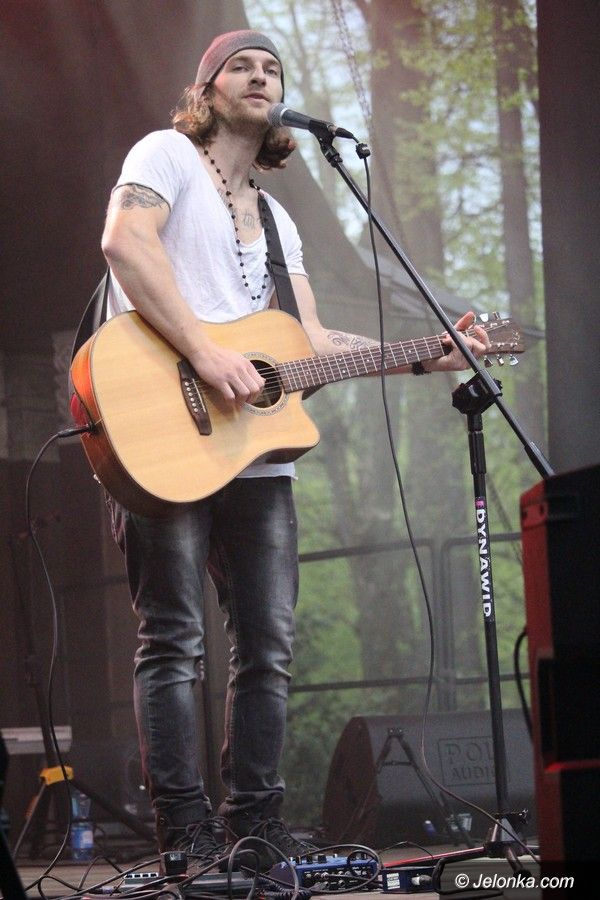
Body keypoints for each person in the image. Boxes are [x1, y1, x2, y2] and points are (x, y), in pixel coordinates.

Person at [100, 30, 490, 867]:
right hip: (162, 429)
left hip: (258, 454)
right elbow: (126, 243)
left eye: (272, 68)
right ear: (206, 89)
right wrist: (207, 355)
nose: (260, 75)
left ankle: (255, 827)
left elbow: (309, 343)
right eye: (240, 65)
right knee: (173, 639)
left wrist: (428, 354)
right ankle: (185, 833)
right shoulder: (166, 154)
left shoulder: (278, 220)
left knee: (268, 648)